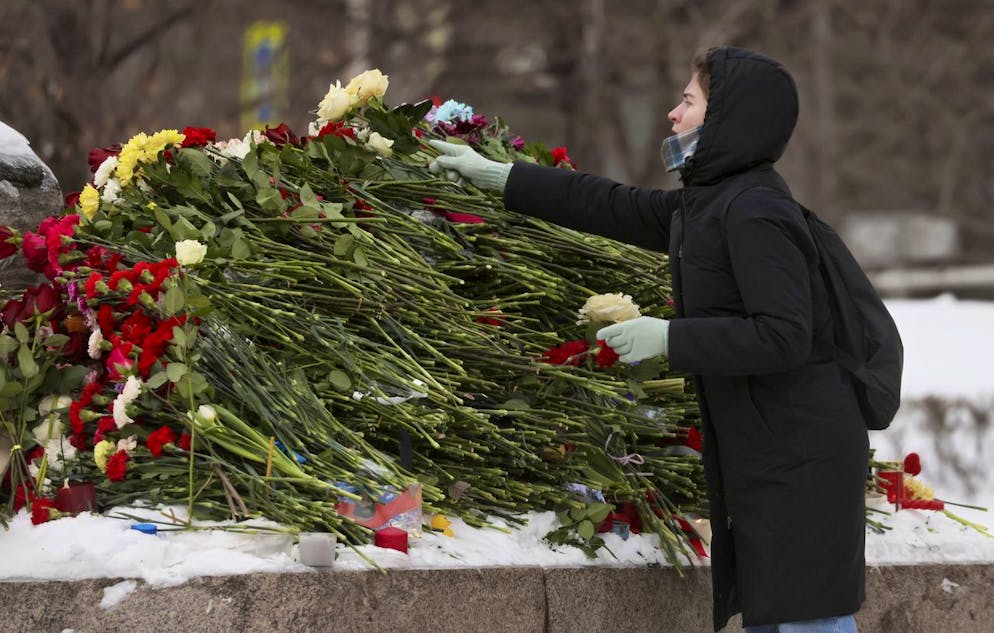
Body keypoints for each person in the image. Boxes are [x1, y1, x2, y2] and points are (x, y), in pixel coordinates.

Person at [429, 46, 869, 633]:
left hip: (802, 461)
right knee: (780, 613)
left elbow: (785, 335)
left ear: (726, 120)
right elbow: (612, 205)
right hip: (772, 452)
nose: (672, 114)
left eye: (688, 101)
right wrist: (502, 176)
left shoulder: (756, 211)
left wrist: (669, 337)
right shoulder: (711, 203)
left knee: (806, 618)